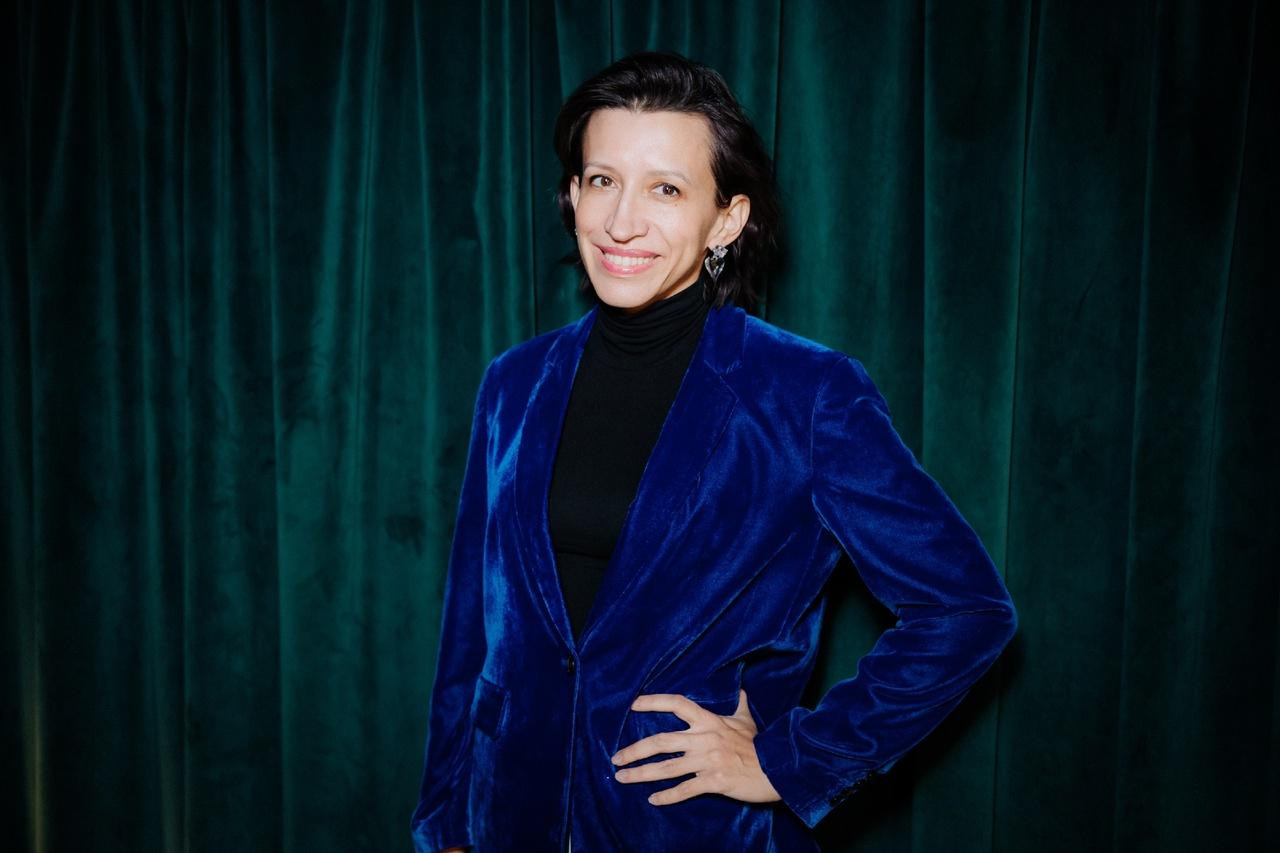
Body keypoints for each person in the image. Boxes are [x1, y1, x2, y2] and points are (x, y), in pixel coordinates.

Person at [410, 51, 1017, 853]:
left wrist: (790, 760)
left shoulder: (807, 393)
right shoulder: (515, 382)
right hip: (505, 821)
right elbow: (471, 631)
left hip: (691, 830)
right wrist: (448, 823)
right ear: (573, 194)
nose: (622, 221)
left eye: (665, 189)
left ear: (727, 219)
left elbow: (965, 609)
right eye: (602, 180)